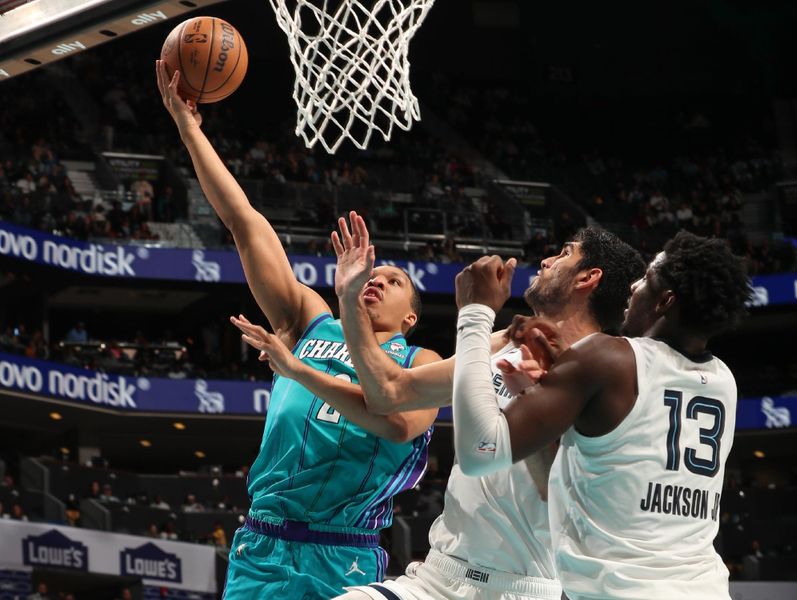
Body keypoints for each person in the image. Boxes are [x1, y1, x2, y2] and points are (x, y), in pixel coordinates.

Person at [156, 62, 441, 599]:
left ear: (410, 317)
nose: (378, 279)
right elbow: (244, 223)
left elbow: (400, 425)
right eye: (372, 273)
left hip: (345, 554)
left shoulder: (421, 362)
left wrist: (296, 370)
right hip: (261, 546)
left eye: (394, 279)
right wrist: (189, 129)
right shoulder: (309, 321)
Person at [250, 215, 644, 600]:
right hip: (438, 575)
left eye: (564, 254)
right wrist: (350, 297)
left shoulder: (606, 372)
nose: (545, 260)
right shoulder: (504, 342)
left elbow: (559, 498)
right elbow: (389, 392)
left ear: (587, 277)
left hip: (522, 586)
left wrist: (528, 397)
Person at [451, 232, 750, 599]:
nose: (634, 286)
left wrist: (474, 314)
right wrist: (537, 389)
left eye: (647, 280)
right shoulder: (723, 380)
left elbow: (480, 450)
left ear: (665, 300)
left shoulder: (608, 358)